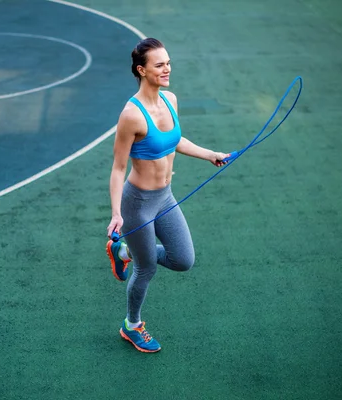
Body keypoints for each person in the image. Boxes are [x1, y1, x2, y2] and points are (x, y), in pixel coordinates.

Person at [105, 38, 230, 353]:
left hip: (165, 198)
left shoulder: (170, 99)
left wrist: (210, 154)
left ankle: (124, 252)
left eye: (168, 62)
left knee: (183, 260)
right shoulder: (131, 116)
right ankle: (132, 325)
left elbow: (175, 139)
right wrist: (117, 213)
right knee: (146, 268)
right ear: (141, 70)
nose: (167, 69)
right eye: (159, 65)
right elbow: (118, 169)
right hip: (138, 205)